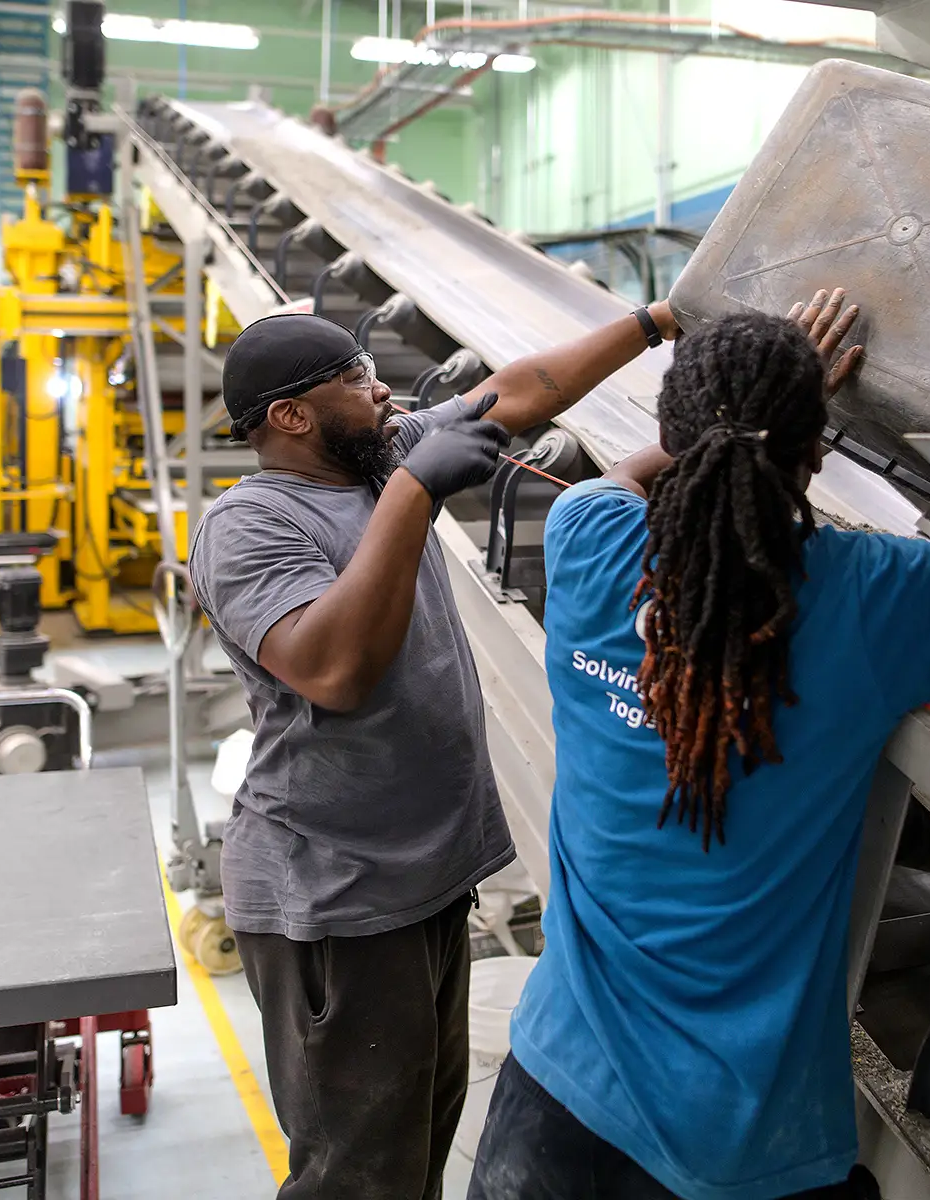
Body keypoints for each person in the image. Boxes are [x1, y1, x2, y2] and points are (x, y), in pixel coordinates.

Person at [468, 291, 930, 1200]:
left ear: (673, 432)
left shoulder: (587, 542)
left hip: (552, 1098)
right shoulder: (887, 595)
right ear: (818, 452)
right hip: (735, 1144)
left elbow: (626, 476)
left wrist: (733, 425)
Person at [187, 301, 682, 1200]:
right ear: (291, 416)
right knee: (359, 1176)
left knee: (416, 1141)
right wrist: (414, 492)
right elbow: (335, 671)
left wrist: (656, 322)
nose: (383, 391)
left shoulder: (373, 456)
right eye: (355, 379)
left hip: (422, 879)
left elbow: (520, 390)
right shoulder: (250, 526)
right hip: (337, 899)